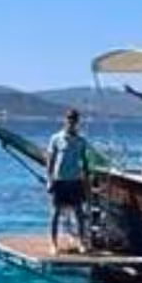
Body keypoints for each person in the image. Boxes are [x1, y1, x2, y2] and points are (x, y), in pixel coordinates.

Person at [45, 108, 90, 253]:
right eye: (69, 118)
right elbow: (50, 160)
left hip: (75, 180)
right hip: (59, 180)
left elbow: (84, 162)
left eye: (74, 119)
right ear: (65, 120)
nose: (71, 121)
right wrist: (49, 180)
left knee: (79, 213)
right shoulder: (56, 138)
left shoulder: (81, 141)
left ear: (77, 122)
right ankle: (53, 243)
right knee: (56, 213)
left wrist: (86, 181)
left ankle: (82, 242)